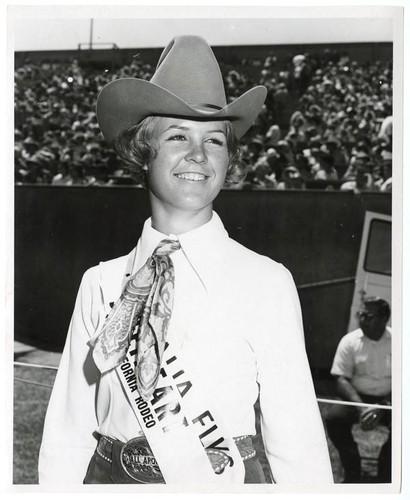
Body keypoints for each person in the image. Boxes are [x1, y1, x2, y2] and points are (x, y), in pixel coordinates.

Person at [39, 35, 333, 486]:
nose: (198, 155)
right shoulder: (101, 283)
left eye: (214, 140)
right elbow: (68, 432)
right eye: (178, 136)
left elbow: (298, 444)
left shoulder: (267, 282)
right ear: (142, 150)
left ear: (229, 159)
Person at [326, 297, 392, 483]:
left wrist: (384, 405)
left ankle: (386, 474)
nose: (361, 320)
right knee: (334, 419)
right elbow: (340, 379)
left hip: (391, 400)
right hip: (357, 399)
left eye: (367, 316)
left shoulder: (401, 342)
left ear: (384, 318)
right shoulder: (349, 341)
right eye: (360, 314)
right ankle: (353, 470)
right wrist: (362, 408)